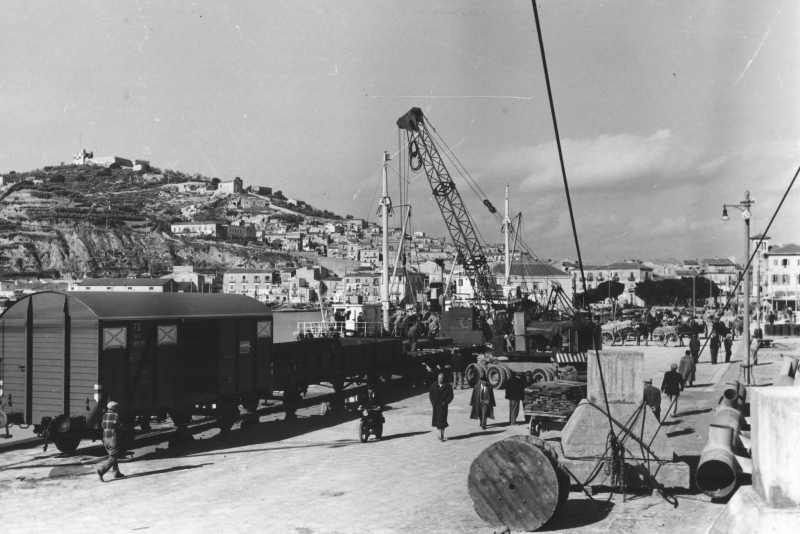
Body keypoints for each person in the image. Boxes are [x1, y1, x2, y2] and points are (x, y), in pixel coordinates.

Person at [97, 401, 126, 481]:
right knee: (113, 457)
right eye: (116, 407)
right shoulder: (116, 415)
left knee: (113, 456)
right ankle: (101, 470)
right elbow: (122, 426)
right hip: (113, 439)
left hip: (105, 439)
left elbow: (102, 426)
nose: (117, 409)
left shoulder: (104, 415)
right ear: (114, 408)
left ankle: (116, 473)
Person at [429, 373, 454, 441]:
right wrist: (432, 401)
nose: (440, 380)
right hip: (436, 406)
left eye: (441, 379)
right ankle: (441, 433)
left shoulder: (448, 386)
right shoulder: (434, 385)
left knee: (442, 421)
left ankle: (441, 435)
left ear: (444, 379)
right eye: (439, 379)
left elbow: (451, 396)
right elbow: (431, 394)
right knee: (437, 422)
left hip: (443, 407)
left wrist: (445, 402)